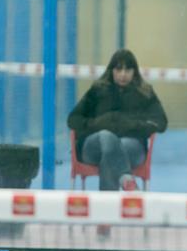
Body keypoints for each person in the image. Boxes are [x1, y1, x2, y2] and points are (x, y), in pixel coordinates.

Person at [68, 49, 168, 193]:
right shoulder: (98, 90)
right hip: (94, 148)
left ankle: (108, 207)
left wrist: (130, 125)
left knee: (113, 153)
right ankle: (127, 180)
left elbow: (161, 123)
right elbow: (73, 119)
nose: (123, 74)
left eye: (128, 69)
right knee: (106, 136)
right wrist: (101, 123)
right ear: (111, 70)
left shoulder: (144, 93)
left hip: (131, 147)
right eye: (118, 69)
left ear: (135, 71)